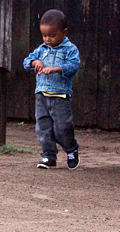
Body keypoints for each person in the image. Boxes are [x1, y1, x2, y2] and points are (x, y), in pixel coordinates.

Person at [23, 9, 81, 169]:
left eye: (52, 35)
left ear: (64, 32)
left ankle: (71, 149)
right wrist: (36, 63)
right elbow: (27, 61)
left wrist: (56, 69)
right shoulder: (41, 49)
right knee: (43, 128)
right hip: (42, 94)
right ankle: (49, 157)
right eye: (44, 35)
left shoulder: (70, 49)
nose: (47, 39)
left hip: (60, 96)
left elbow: (74, 65)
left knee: (63, 127)